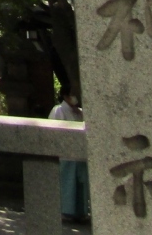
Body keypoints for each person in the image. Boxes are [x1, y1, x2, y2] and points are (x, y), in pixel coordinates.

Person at [49, 92, 91, 222]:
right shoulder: (58, 110)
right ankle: (65, 212)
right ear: (66, 96)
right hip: (65, 155)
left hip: (80, 155)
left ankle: (81, 212)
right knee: (67, 184)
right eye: (71, 95)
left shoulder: (80, 112)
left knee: (81, 184)